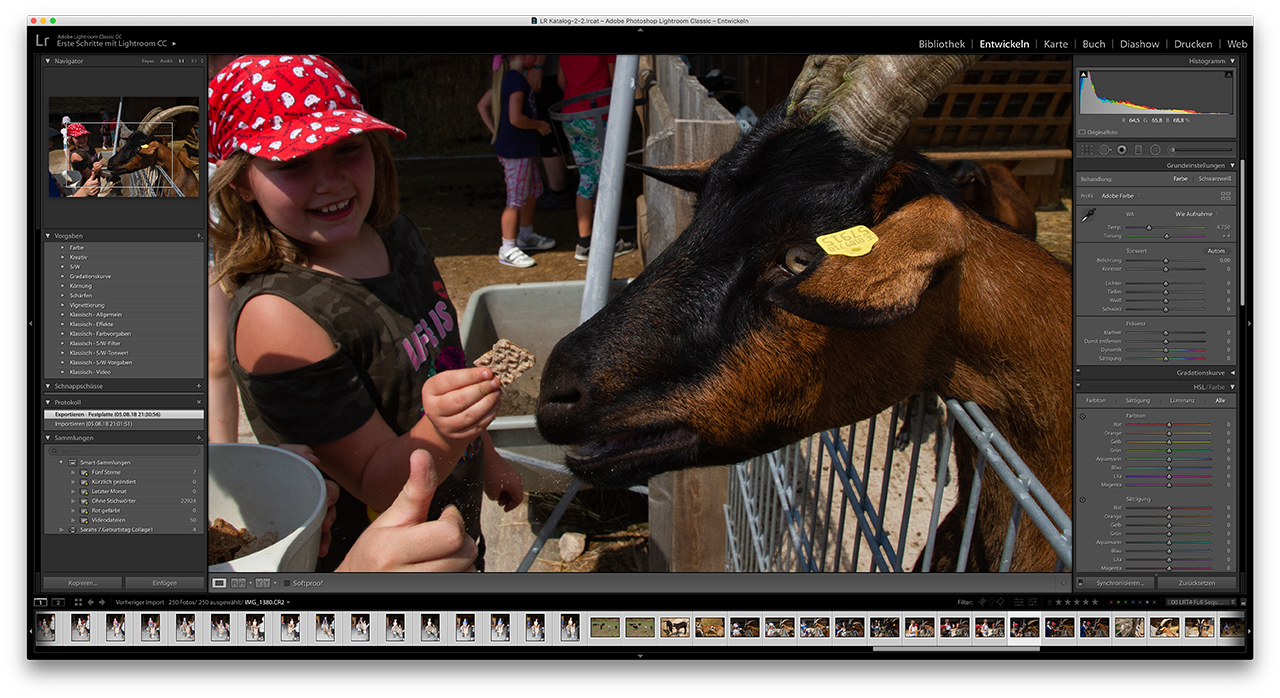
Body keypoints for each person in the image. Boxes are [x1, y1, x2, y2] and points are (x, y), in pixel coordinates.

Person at [208, 54, 523, 572]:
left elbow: (445, 364)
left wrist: (487, 455)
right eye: (293, 163)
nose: (329, 181)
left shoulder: (397, 234)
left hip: (452, 532)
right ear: (241, 182)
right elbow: (376, 481)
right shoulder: (278, 315)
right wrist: (445, 432)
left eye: (348, 149)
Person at [477, 54, 556, 268]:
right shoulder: (516, 80)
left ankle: (526, 235)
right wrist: (539, 125)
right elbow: (516, 118)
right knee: (515, 199)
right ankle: (508, 248)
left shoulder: (507, 78)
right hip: (516, 152)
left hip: (521, 149)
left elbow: (482, 105)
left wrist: (497, 132)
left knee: (531, 191)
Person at [557, 55, 637, 261]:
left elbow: (561, 81)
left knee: (586, 177)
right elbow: (616, 78)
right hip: (596, 114)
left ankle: (585, 243)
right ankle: (610, 242)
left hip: (570, 115)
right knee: (606, 177)